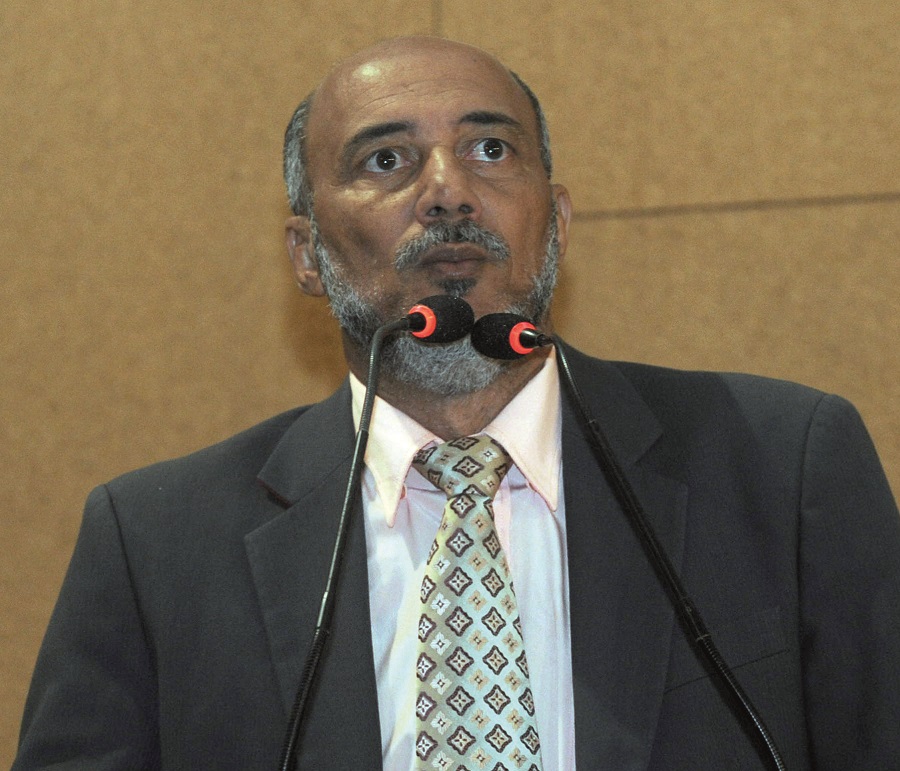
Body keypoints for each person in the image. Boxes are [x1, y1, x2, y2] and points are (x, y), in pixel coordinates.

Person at [13, 35, 900, 770]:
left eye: (490, 150)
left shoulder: (783, 467)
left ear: (556, 222)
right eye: (387, 160)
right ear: (307, 256)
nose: (448, 190)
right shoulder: (155, 545)